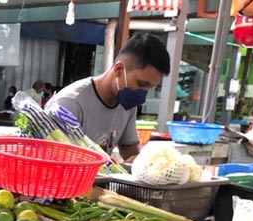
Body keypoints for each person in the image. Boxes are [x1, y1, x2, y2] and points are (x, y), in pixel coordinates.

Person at [51, 34, 170, 162]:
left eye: (150, 87)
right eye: (141, 84)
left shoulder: (127, 104)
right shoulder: (70, 103)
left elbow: (129, 150)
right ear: (119, 69)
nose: (143, 92)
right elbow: (56, 159)